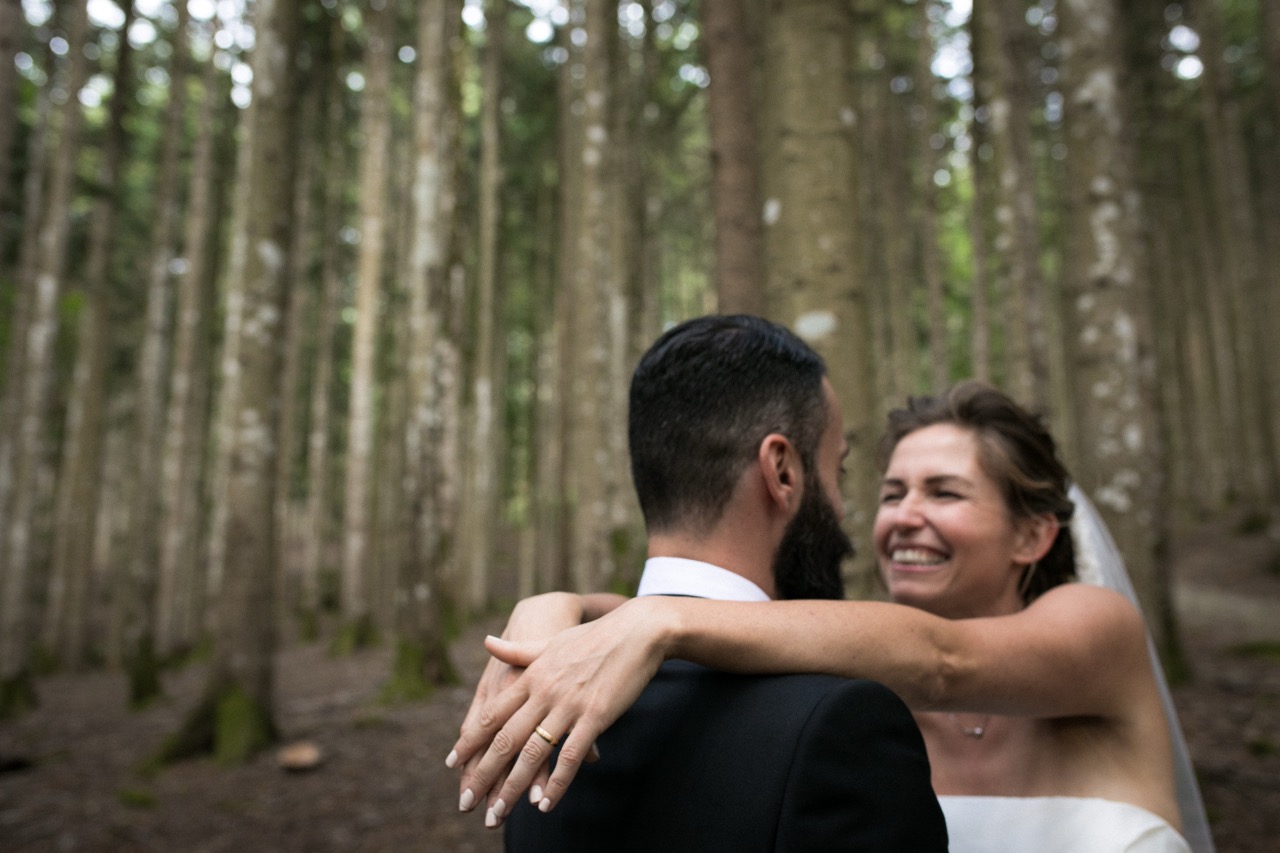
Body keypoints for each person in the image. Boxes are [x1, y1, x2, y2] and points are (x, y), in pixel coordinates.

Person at [450, 380, 1214, 853]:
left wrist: (659, 622)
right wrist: (561, 604)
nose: (905, 518)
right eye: (890, 493)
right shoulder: (853, 665)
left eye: (944, 492)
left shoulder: (1096, 625)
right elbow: (736, 624)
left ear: (1033, 533)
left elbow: (945, 660)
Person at [453, 314, 948, 851]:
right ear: (782, 471)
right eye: (839, 472)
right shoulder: (840, 725)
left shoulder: (537, 707)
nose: (844, 507)